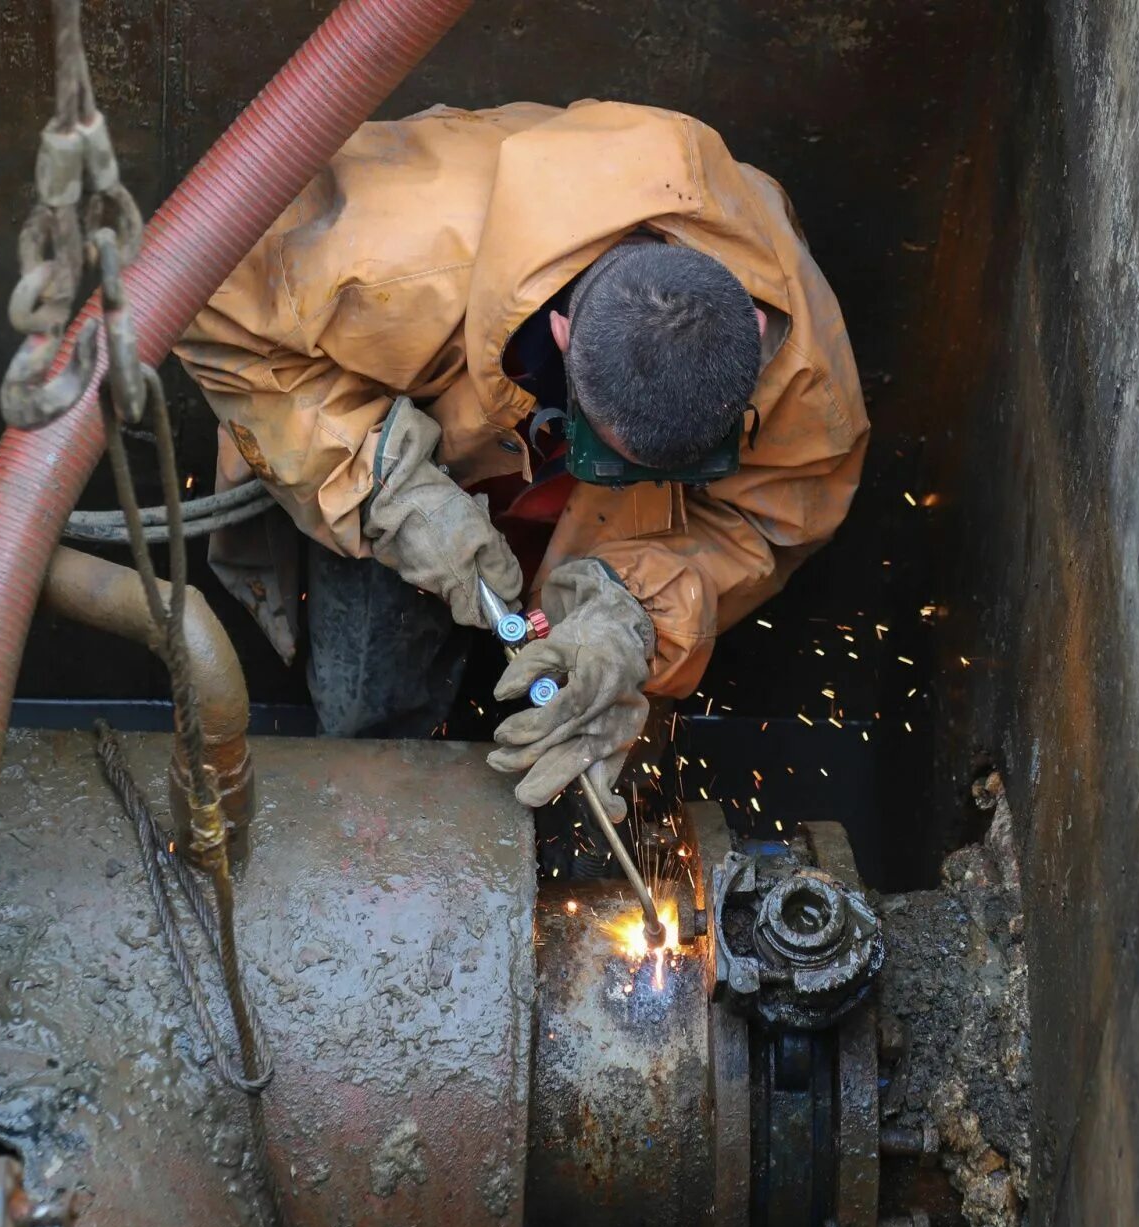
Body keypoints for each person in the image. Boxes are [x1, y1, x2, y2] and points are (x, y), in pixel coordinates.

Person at [175, 100, 869, 820]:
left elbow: (773, 519)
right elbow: (206, 306)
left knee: (605, 740)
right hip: (411, 463)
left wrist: (634, 620)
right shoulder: (394, 252)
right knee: (370, 722)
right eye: (608, 453)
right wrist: (389, 491)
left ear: (752, 337)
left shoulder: (803, 371)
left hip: (626, 537)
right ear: (564, 336)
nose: (620, 474)